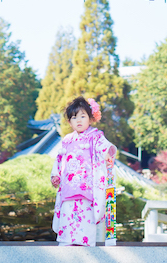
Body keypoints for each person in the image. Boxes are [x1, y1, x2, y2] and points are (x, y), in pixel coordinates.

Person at [50, 95, 117, 246]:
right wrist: (56, 175)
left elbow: (104, 147)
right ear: (69, 122)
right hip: (69, 186)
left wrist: (107, 154)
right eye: (74, 117)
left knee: (85, 216)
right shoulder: (67, 140)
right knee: (67, 214)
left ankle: (85, 244)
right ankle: (66, 242)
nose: (78, 120)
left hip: (87, 187)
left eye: (82, 116)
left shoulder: (95, 137)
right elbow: (60, 160)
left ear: (90, 118)